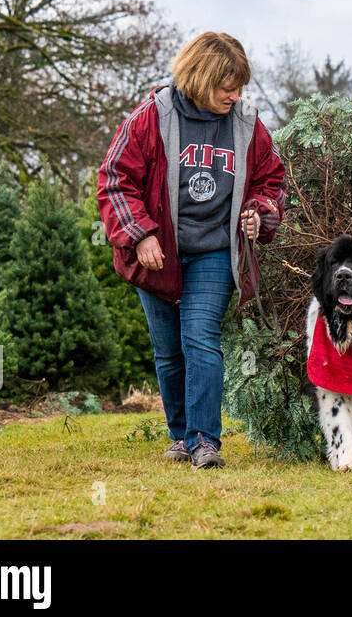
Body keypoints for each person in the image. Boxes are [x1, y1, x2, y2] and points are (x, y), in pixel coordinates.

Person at [97, 32, 286, 470]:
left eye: (239, 86)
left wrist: (260, 213)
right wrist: (140, 235)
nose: (235, 95)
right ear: (200, 79)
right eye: (227, 86)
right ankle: (180, 435)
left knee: (200, 338)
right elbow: (114, 179)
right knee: (168, 351)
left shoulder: (246, 123)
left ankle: (205, 440)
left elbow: (271, 182)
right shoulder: (151, 118)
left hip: (214, 252)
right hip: (157, 252)